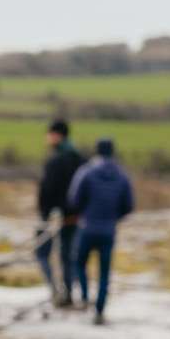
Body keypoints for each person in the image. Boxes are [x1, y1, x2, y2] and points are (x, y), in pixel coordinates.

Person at [66, 136, 134, 325]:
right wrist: (113, 218)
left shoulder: (86, 172)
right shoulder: (121, 175)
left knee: (79, 263)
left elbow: (74, 198)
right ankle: (100, 308)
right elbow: (128, 205)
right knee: (105, 272)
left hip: (87, 227)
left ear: (97, 150)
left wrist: (85, 213)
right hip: (109, 229)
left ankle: (86, 296)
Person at [34, 119, 85, 307]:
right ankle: (69, 293)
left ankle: (56, 291)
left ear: (56, 135)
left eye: (49, 134)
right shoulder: (80, 159)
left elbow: (47, 190)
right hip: (76, 216)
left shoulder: (55, 161)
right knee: (68, 257)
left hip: (53, 217)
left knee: (41, 253)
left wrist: (45, 214)